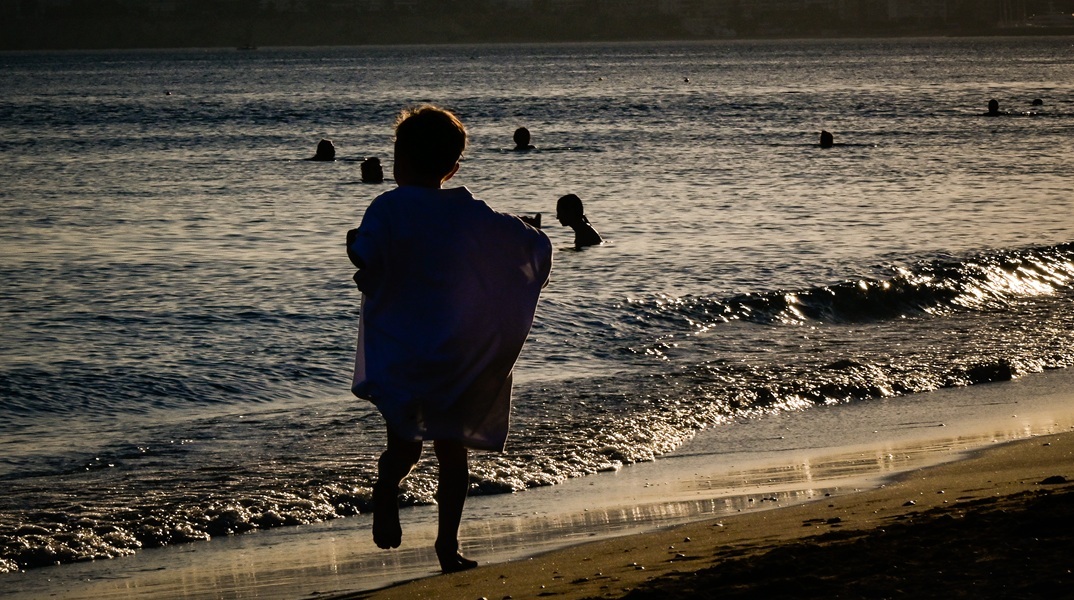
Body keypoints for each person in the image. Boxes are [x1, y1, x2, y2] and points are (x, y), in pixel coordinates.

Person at [346, 105, 553, 573]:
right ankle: (447, 547)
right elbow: (534, 244)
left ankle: (386, 489)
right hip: (459, 354)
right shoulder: (470, 212)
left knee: (405, 446)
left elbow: (366, 256)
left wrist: (357, 250)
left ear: (398, 159)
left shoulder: (389, 206)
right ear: (453, 166)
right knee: (452, 454)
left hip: (406, 352)